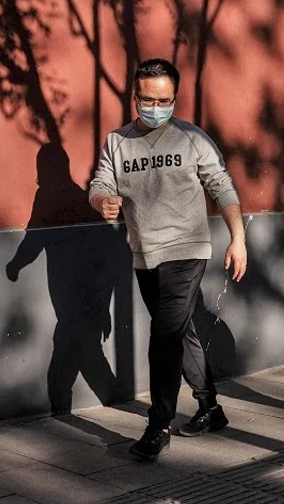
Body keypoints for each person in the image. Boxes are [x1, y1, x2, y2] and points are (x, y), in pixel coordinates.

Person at [89, 58, 247, 461]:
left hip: (188, 251)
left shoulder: (193, 139)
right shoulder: (117, 142)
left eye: (165, 100)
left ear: (175, 98)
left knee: (163, 338)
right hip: (145, 255)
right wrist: (102, 201)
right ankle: (210, 408)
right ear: (134, 95)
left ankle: (158, 425)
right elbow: (101, 182)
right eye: (148, 98)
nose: (156, 107)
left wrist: (238, 237)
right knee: (181, 333)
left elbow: (222, 187)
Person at [6, 143, 129, 414]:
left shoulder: (48, 196)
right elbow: (100, 259)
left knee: (65, 373)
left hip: (72, 304)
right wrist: (101, 308)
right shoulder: (80, 199)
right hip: (86, 302)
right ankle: (121, 408)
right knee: (83, 364)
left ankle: (74, 416)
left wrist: (15, 265)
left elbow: (34, 239)